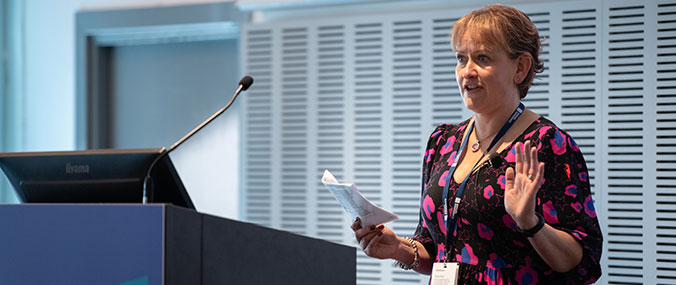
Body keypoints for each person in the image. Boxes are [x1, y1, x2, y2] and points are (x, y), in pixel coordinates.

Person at [351, 4, 602, 284]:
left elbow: (583, 263)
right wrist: (398, 247)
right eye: (461, 59)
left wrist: (531, 223)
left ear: (520, 67)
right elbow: (437, 251)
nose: (466, 71)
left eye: (482, 58)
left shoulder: (547, 144)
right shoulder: (443, 141)